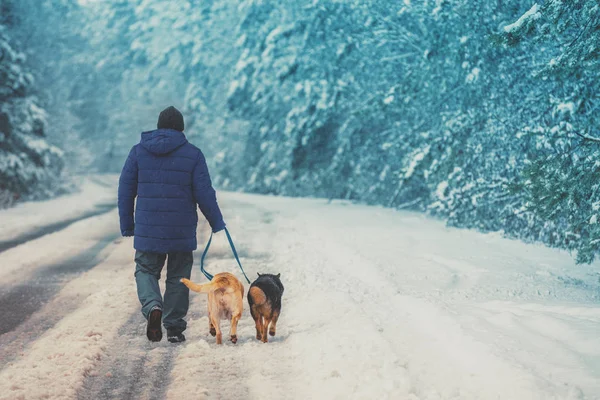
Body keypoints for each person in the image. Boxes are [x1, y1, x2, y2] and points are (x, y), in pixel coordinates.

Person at [118, 106, 226, 343]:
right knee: (178, 275)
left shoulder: (138, 152)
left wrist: (128, 224)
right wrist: (216, 222)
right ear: (181, 128)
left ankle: (153, 306)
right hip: (180, 228)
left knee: (146, 270)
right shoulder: (193, 154)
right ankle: (174, 327)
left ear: (158, 126)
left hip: (148, 228)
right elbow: (204, 192)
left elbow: (125, 190)